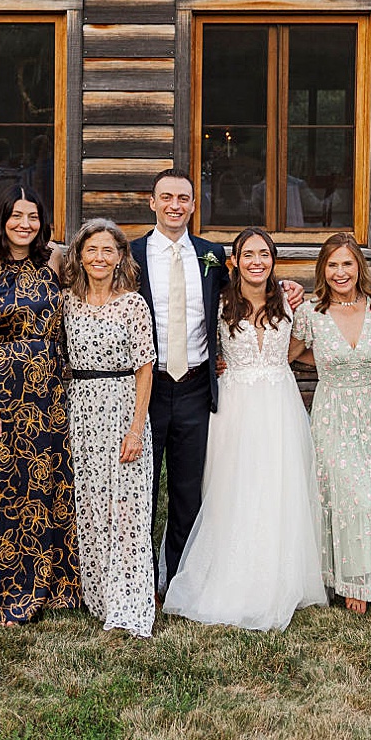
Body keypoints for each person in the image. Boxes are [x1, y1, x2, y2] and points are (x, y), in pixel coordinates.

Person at [129, 170, 303, 592]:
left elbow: (249, 293)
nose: (175, 205)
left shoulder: (210, 254)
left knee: (190, 488)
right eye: (166, 197)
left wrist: (286, 286)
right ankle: (137, 576)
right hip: (145, 387)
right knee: (140, 489)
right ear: (152, 202)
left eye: (183, 198)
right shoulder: (129, 253)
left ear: (193, 205)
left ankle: (179, 577)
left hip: (194, 386)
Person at [161, 227, 325, 632]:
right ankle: (225, 573)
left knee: (277, 487)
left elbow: (300, 346)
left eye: (264, 254)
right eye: (248, 255)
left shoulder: (289, 300)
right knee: (230, 487)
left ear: (273, 260)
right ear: (235, 260)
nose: (257, 262)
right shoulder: (218, 303)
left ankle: (277, 575)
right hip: (234, 406)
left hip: (278, 404)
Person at [0, 189, 82, 623]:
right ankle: (3, 590)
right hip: (0, 394)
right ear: (1, 219)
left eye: (33, 216)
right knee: (1, 491)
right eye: (15, 215)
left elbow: (106, 274)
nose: (24, 224)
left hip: (48, 394)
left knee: (46, 487)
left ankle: (52, 586)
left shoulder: (58, 262)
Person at [295, 232, 371, 614]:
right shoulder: (310, 314)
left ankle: (369, 573)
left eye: (347, 263)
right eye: (332, 265)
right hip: (333, 412)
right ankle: (352, 580)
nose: (340, 272)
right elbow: (284, 354)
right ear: (322, 271)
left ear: (360, 265)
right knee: (352, 495)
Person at [59, 219, 158, 638]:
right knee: (92, 506)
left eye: (107, 250)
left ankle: (130, 602)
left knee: (128, 508)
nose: (99, 258)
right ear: (79, 256)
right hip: (81, 408)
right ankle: (99, 595)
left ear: (120, 257)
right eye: (91, 249)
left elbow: (145, 366)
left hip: (122, 408)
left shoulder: (133, 303)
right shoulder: (66, 302)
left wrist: (136, 428)